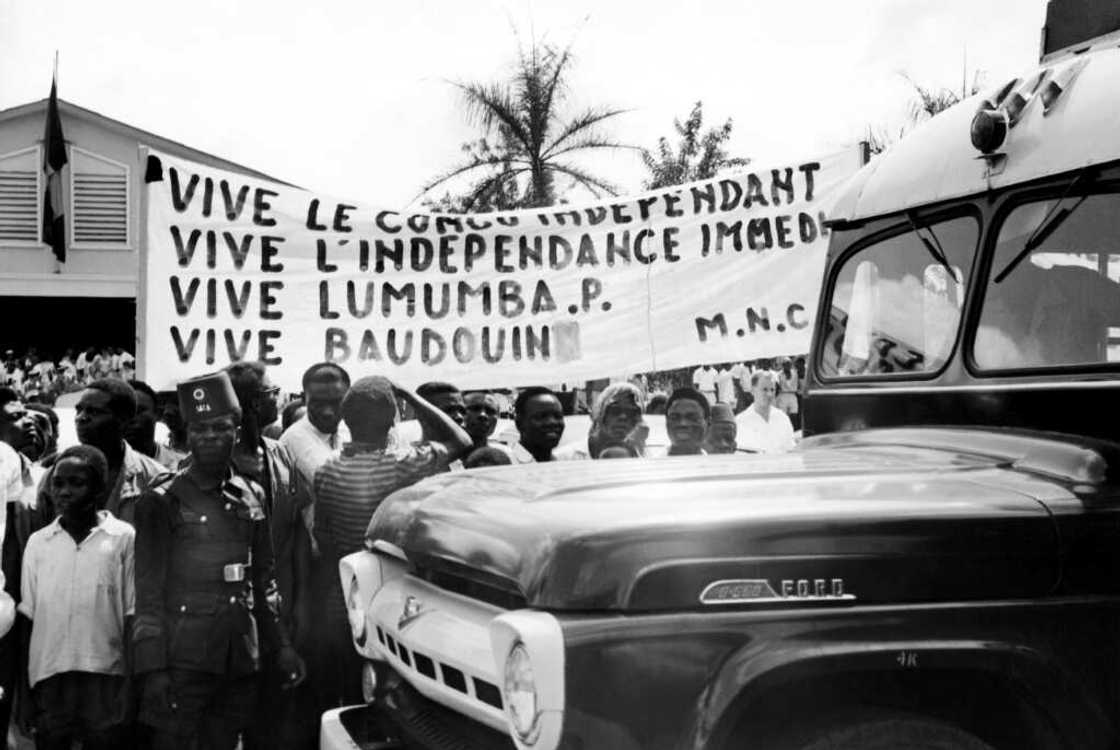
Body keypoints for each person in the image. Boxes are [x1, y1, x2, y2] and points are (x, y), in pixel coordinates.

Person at [132, 371, 305, 749]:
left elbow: (265, 581)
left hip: (240, 655)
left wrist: (282, 646)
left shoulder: (250, 493)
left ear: (236, 427)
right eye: (199, 429)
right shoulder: (161, 500)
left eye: (220, 427)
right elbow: (147, 593)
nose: (209, 437)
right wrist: (153, 670)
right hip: (182, 660)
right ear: (187, 434)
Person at [313, 376, 470, 706]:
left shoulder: (326, 470)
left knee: (351, 693)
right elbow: (461, 439)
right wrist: (408, 392)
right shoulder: (399, 464)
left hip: (343, 594)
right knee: (392, 698)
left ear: (345, 420)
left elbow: (323, 537)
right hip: (391, 595)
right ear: (394, 419)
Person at [223, 362, 315, 750]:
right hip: (229, 615)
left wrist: (300, 604)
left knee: (273, 719)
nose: (278, 397)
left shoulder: (279, 454)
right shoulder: (212, 462)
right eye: (270, 392)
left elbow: (296, 535)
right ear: (246, 403)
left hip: (280, 607)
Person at [20, 445, 134, 749]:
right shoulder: (39, 543)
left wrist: (130, 686)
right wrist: (25, 692)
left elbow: (131, 614)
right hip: (50, 677)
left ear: (98, 488)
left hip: (105, 677)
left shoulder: (122, 538)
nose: (65, 492)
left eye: (77, 483)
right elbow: (28, 617)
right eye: (58, 483)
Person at [39, 379, 164, 524]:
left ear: (123, 420)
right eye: (79, 410)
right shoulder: (53, 475)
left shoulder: (154, 478)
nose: (81, 418)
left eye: (94, 411)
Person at [279, 363, 351, 491]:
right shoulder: (294, 439)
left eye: (335, 402)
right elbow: (341, 487)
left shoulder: (346, 428)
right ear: (303, 399)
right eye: (318, 403)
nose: (327, 412)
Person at [556, 383, 647, 459]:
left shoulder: (644, 459)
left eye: (631, 413)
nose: (623, 417)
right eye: (615, 411)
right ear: (599, 413)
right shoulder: (565, 458)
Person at [126, 380, 186, 470]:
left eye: (139, 410)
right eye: (124, 412)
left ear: (156, 414)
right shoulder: (103, 467)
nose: (131, 418)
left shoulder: (181, 466)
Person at [736, 371, 796, 454]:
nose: (769, 394)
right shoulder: (741, 421)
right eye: (764, 389)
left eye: (772, 390)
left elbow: (791, 450)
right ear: (753, 390)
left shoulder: (782, 418)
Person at [508, 387, 565, 463]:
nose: (552, 422)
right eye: (541, 417)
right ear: (519, 424)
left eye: (558, 416)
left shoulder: (563, 463)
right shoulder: (506, 463)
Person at [663, 387, 711, 456]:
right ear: (666, 422)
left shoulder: (720, 465)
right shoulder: (650, 465)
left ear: (708, 424)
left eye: (693, 418)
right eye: (675, 418)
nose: (683, 424)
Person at [775, 357, 801, 430]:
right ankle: (783, 431)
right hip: (783, 395)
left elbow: (798, 383)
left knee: (794, 414)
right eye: (786, 364)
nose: (788, 366)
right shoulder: (779, 374)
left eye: (789, 364)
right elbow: (777, 385)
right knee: (783, 416)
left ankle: (794, 431)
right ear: (783, 365)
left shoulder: (795, 373)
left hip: (793, 395)